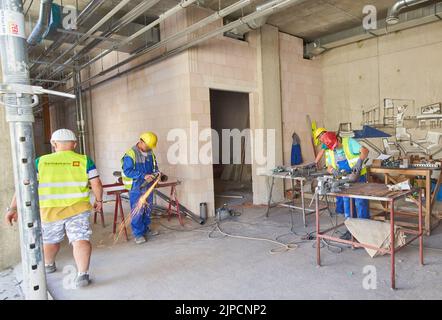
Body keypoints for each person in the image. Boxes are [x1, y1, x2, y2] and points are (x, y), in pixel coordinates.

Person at [4, 129, 103, 288]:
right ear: (75, 144)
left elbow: (24, 185)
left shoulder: (39, 162)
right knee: (80, 239)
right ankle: (82, 274)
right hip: (77, 208)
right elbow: (96, 183)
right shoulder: (85, 160)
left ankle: (49, 264)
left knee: (50, 241)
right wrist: (99, 200)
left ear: (54, 144)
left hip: (49, 210)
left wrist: (13, 208)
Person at [314, 128, 370, 240]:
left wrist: (359, 163)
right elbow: (329, 166)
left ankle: (364, 232)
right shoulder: (330, 149)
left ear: (337, 139)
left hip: (359, 178)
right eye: (332, 149)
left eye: (336, 147)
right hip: (344, 180)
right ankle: (351, 231)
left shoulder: (348, 142)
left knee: (360, 204)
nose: (335, 150)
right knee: (347, 206)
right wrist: (333, 171)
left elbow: (365, 150)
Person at [122, 132, 160, 244]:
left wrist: (156, 174)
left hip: (148, 185)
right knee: (138, 210)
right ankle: (138, 234)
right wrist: (143, 175)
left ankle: (145, 229)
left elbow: (155, 167)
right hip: (136, 186)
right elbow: (127, 171)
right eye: (147, 145)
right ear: (141, 141)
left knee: (147, 209)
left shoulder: (150, 153)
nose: (148, 148)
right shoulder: (131, 154)